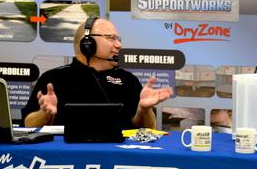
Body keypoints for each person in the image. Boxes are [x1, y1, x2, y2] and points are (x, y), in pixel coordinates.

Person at [22, 17, 173, 128]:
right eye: (111, 38)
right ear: (87, 43)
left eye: (118, 39)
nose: (118, 45)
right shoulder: (53, 78)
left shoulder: (128, 79)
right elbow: (27, 124)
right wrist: (45, 113)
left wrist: (143, 110)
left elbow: (149, 129)